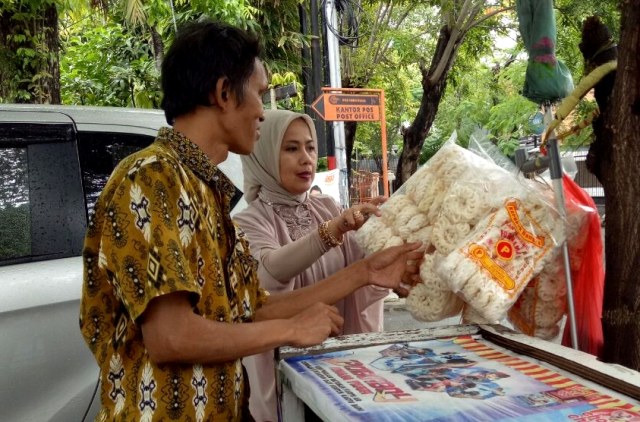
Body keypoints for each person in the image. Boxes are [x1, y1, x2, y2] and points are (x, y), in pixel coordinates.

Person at [79, 19, 423, 421]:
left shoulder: (206, 191)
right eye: (259, 93)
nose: (263, 110)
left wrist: (366, 272)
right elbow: (171, 337)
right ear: (224, 93)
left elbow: (254, 308)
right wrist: (292, 330)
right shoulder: (154, 177)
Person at [234, 109, 390, 421]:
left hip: (339, 373)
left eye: (310, 147)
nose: (306, 159)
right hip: (287, 376)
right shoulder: (246, 223)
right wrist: (331, 232)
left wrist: (386, 232)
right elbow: (267, 274)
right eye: (291, 148)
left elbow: (361, 275)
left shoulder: (327, 207)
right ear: (262, 155)